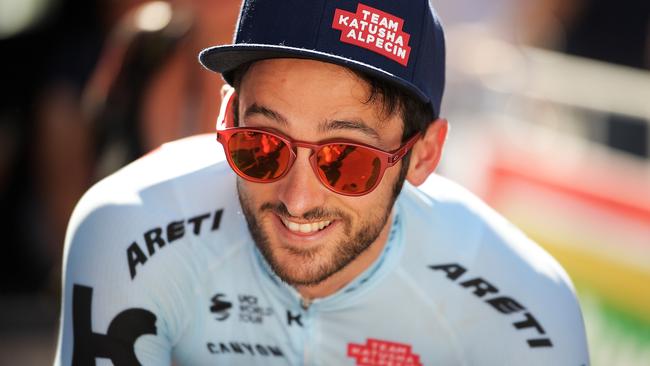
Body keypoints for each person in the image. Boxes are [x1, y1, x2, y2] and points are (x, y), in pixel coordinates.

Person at [54, 0, 590, 365]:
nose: (298, 198)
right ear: (225, 120)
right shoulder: (128, 228)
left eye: (346, 161)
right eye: (261, 147)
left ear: (424, 156)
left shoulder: (528, 303)